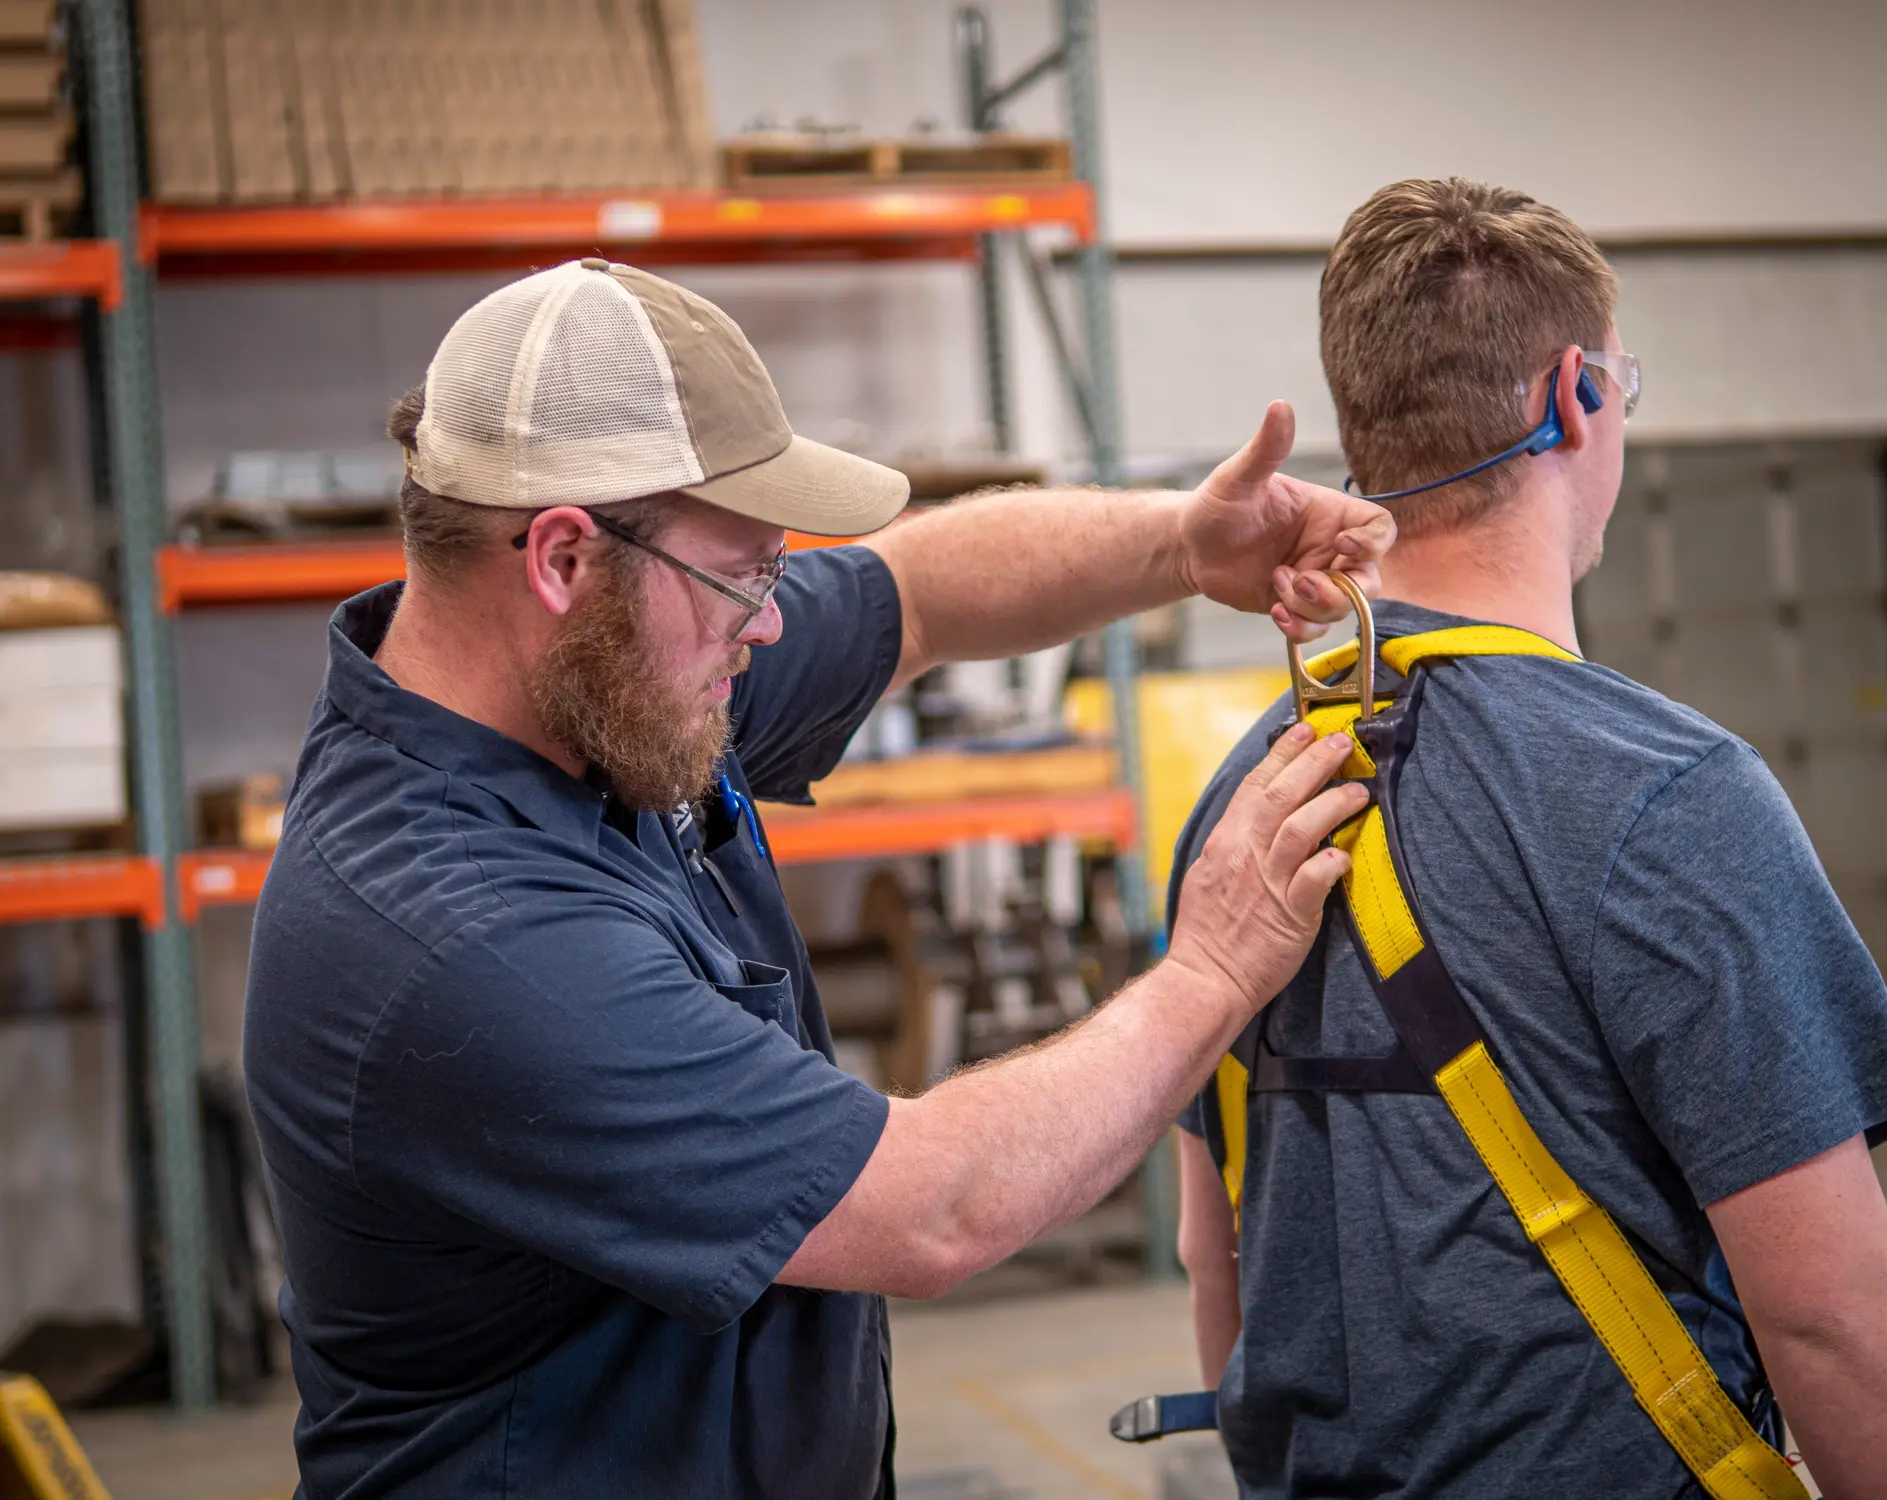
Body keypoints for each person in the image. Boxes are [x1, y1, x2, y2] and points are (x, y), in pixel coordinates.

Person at [240, 255, 1395, 1499]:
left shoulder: (600, 689)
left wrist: (1179, 544)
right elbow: (931, 1207)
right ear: (564, 559)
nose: (772, 621)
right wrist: (1215, 967)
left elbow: (921, 595)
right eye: (744, 574)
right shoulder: (459, 941)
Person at [1170, 179, 1887, 1499]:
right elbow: (1832, 1314)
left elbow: (1223, 1263)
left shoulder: (1244, 799)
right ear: (1575, 397)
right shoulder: (1668, 793)